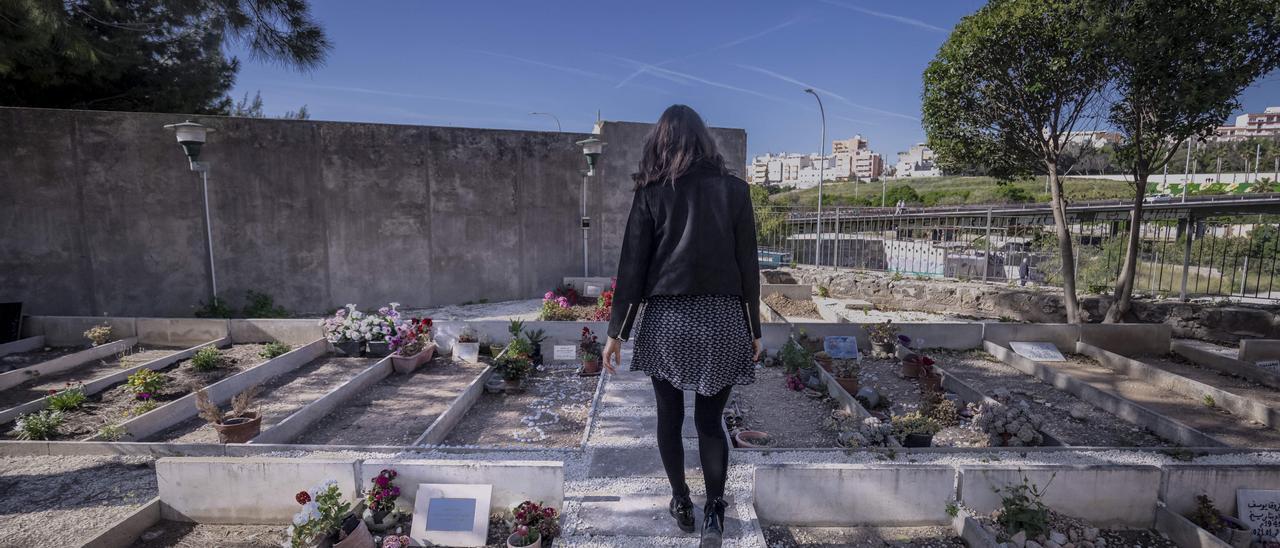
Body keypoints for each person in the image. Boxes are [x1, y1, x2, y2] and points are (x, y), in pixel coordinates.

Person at [602, 104, 763, 547]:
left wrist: (617, 331)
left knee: (669, 417)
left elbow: (632, 266)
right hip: (723, 319)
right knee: (711, 422)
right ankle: (715, 512)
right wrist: (754, 328)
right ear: (704, 141)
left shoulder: (651, 192)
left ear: (662, 142)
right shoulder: (735, 190)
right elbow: (748, 264)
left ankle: (681, 502)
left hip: (668, 320)